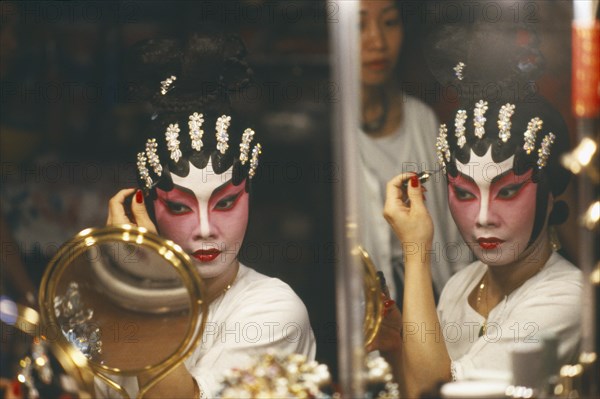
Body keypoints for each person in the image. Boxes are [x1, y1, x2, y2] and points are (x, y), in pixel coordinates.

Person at [101, 32, 316, 398]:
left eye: (226, 203)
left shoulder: (275, 310)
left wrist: (145, 285)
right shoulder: (114, 307)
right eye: (180, 207)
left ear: (249, 197)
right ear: (147, 208)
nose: (204, 229)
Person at [379, 96, 582, 397]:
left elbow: (433, 392)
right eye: (464, 194)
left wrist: (416, 251)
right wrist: (398, 345)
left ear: (550, 196)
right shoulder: (461, 284)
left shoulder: (569, 298)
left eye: (508, 191)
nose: (483, 218)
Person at [357, 0, 468, 305]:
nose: (377, 41)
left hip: (435, 296)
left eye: (390, 23)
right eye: (358, 25)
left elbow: (453, 233)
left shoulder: (422, 119)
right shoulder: (330, 131)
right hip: (366, 312)